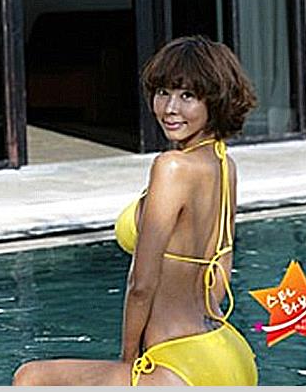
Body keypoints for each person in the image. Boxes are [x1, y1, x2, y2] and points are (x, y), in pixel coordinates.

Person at [13, 34, 258, 386]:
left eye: (187, 95)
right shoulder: (223, 163)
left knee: (30, 378)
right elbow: (221, 266)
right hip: (226, 350)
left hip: (178, 362)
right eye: (163, 92)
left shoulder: (172, 167)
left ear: (215, 100)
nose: (170, 108)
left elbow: (141, 284)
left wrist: (129, 360)